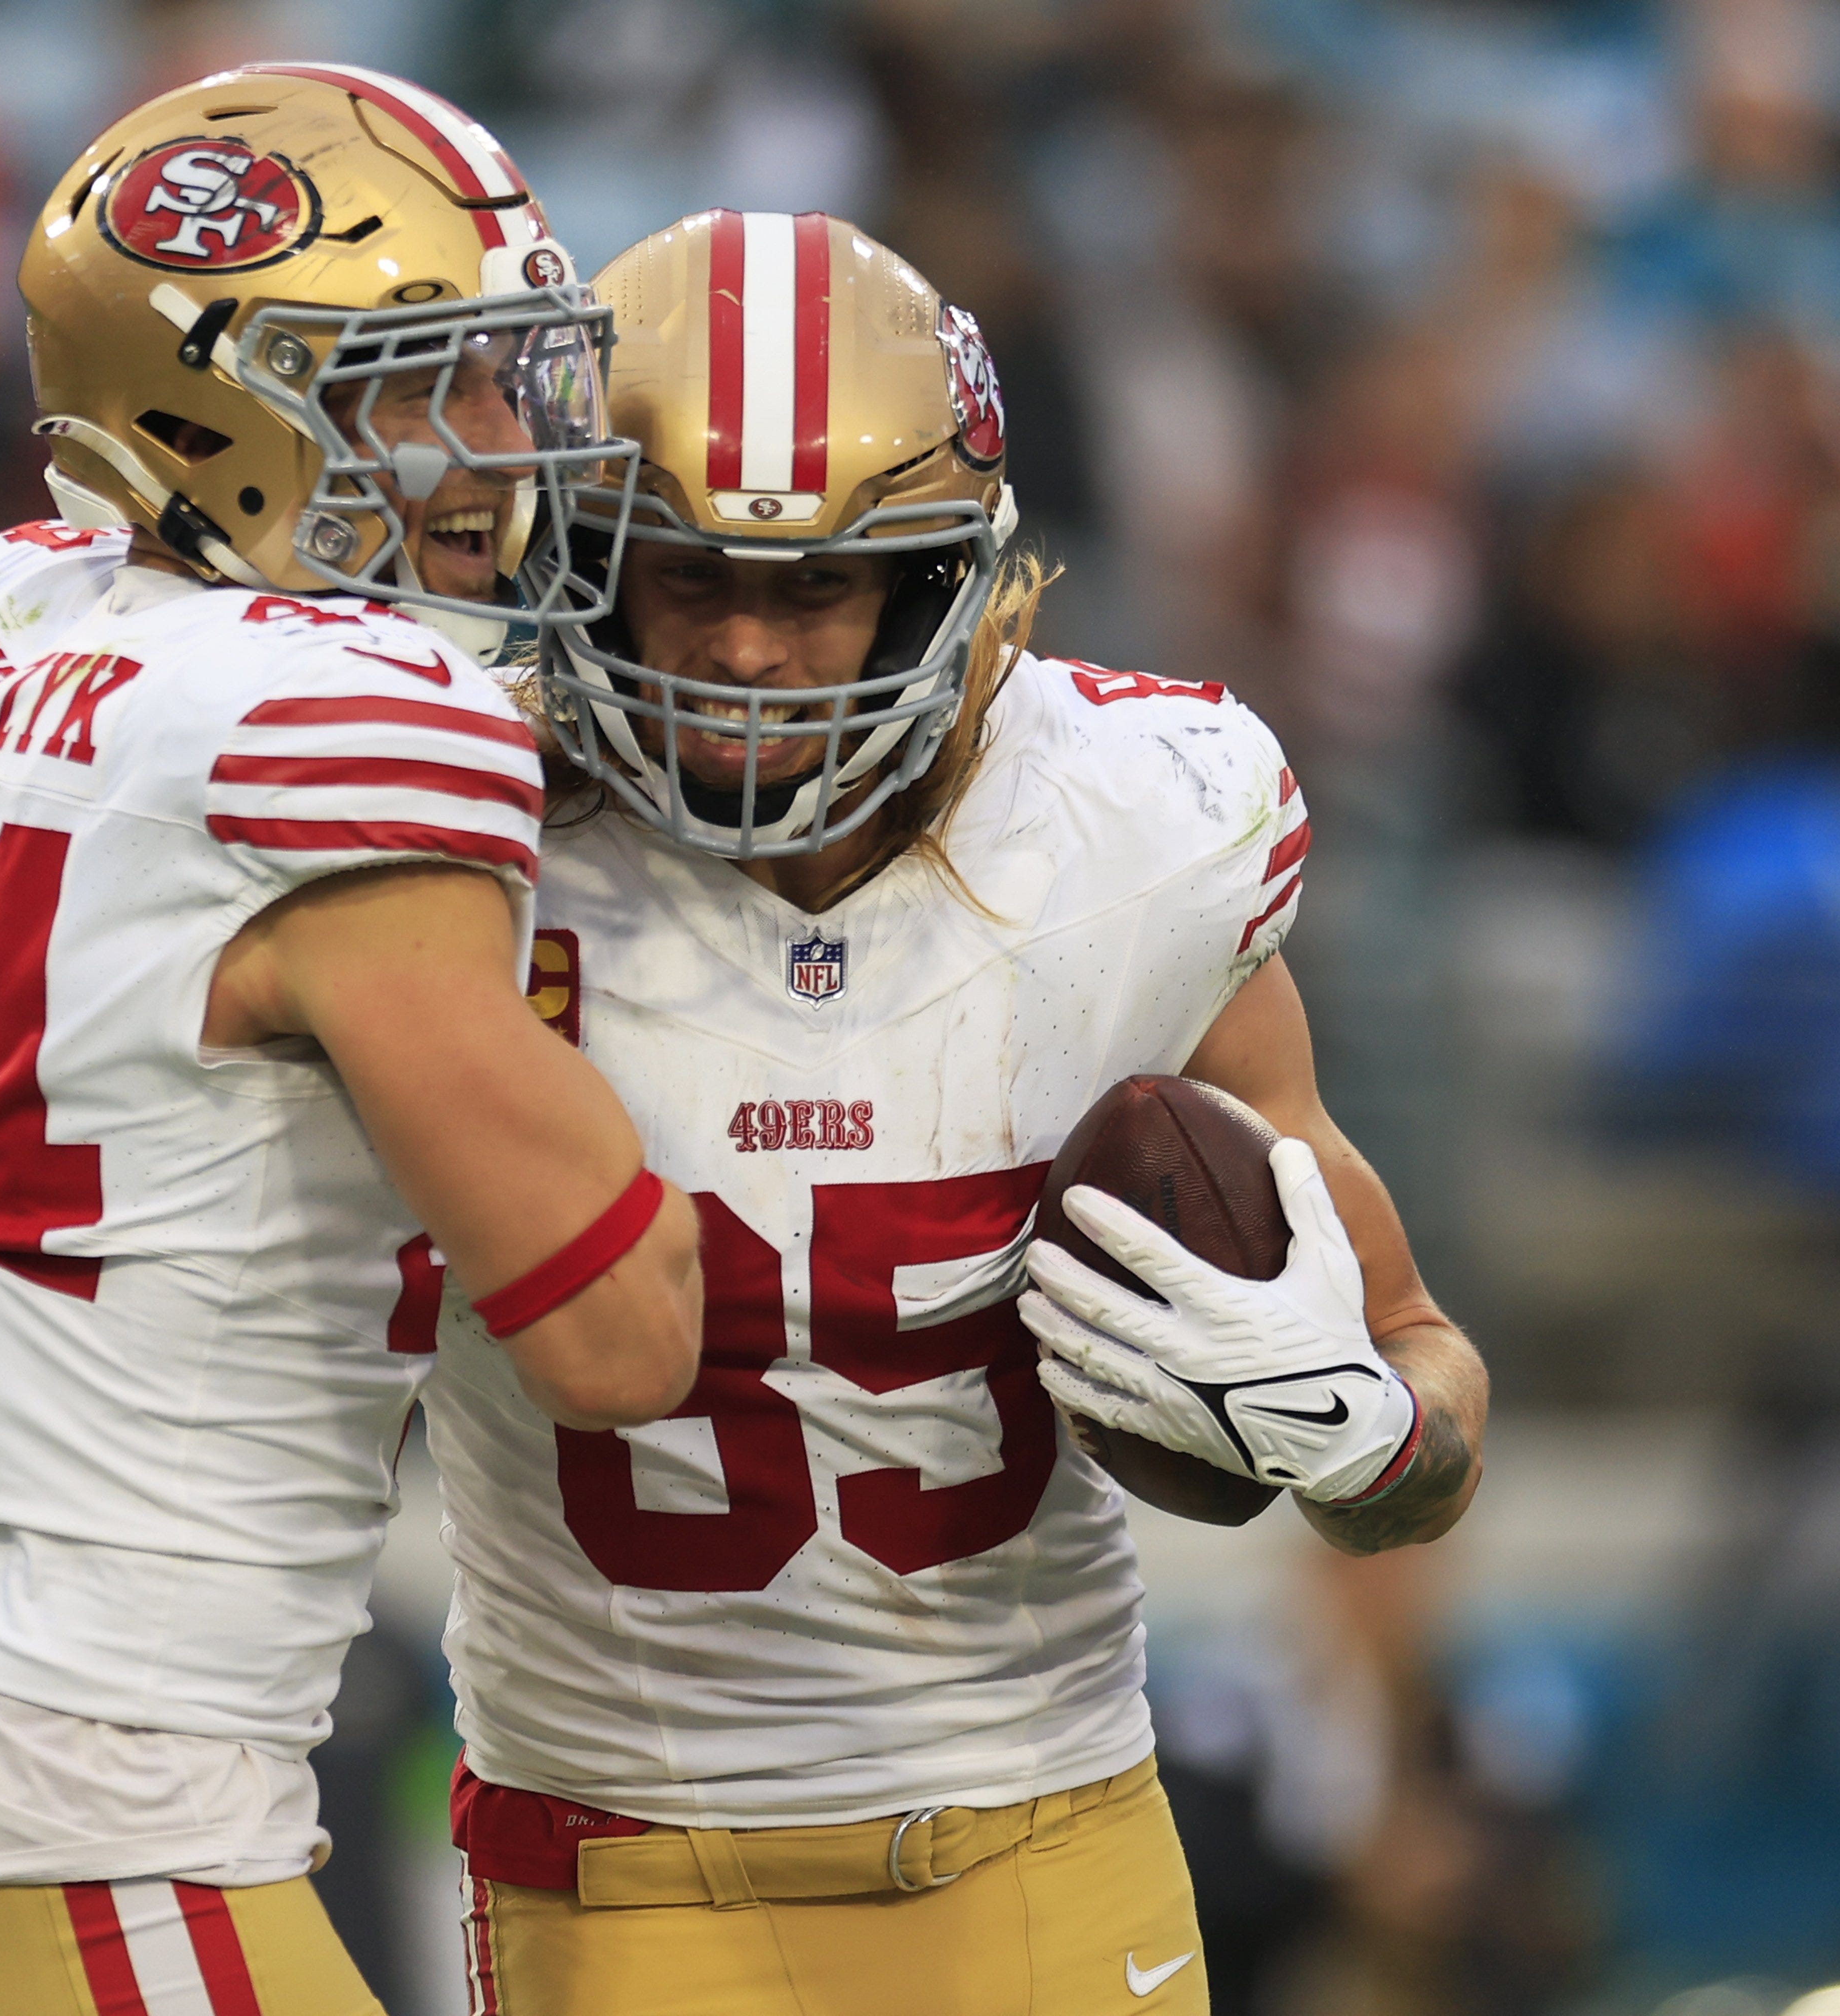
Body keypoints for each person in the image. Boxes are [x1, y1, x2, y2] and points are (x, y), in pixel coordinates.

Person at [0, 67, 704, 2016]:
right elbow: (622, 1340)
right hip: (71, 1790)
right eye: (410, 390)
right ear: (211, 412)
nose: (491, 455)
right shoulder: (352, 730)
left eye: (503, 377)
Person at [413, 211, 1489, 2016]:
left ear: (940, 585)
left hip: (1051, 1832)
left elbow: (1422, 1369)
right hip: (629, 1860)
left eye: (817, 586)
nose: (749, 653)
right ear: (580, 562)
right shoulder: (450, 853)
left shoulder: (1137, 831)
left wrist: (1370, 1443)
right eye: (691, 577)